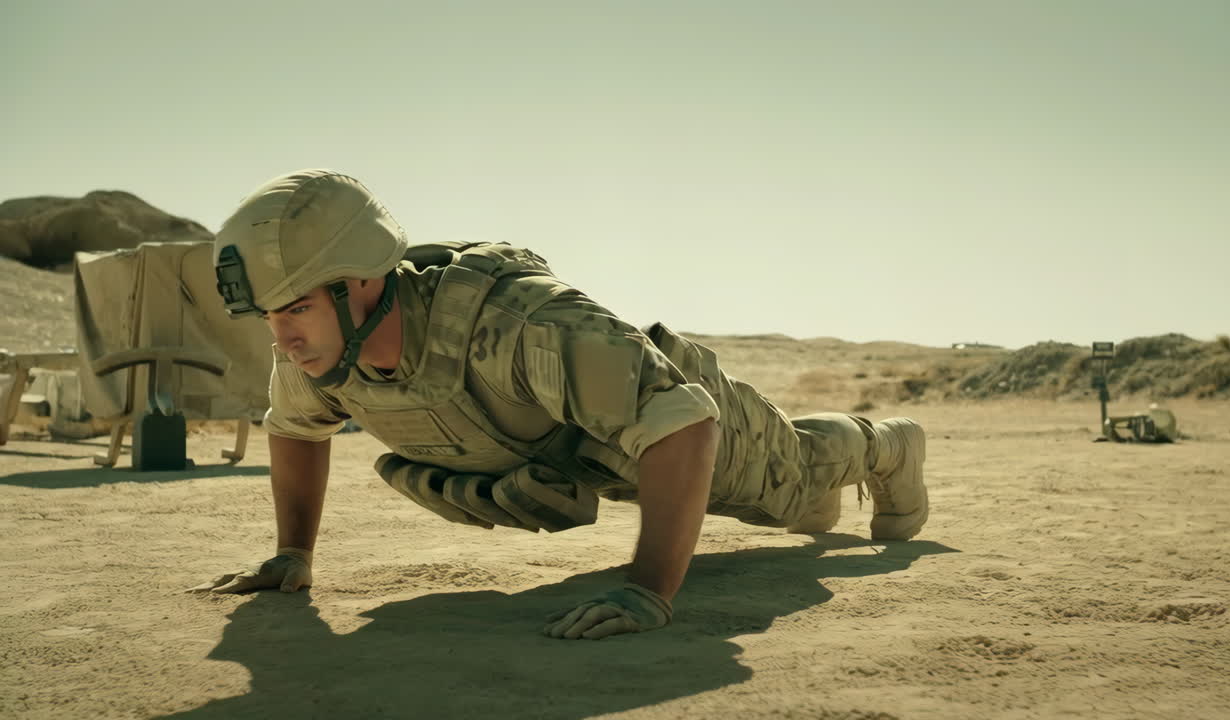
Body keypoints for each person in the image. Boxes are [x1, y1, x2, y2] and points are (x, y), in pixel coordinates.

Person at [188, 169, 930, 640]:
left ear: (360, 283)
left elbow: (682, 422)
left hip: (676, 421)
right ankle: (818, 502)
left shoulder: (516, 323)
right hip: (601, 454)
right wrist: (294, 553)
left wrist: (648, 590)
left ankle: (888, 446)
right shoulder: (323, 353)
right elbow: (294, 429)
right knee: (791, 507)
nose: (280, 337)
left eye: (294, 310)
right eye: (267, 318)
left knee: (790, 477)